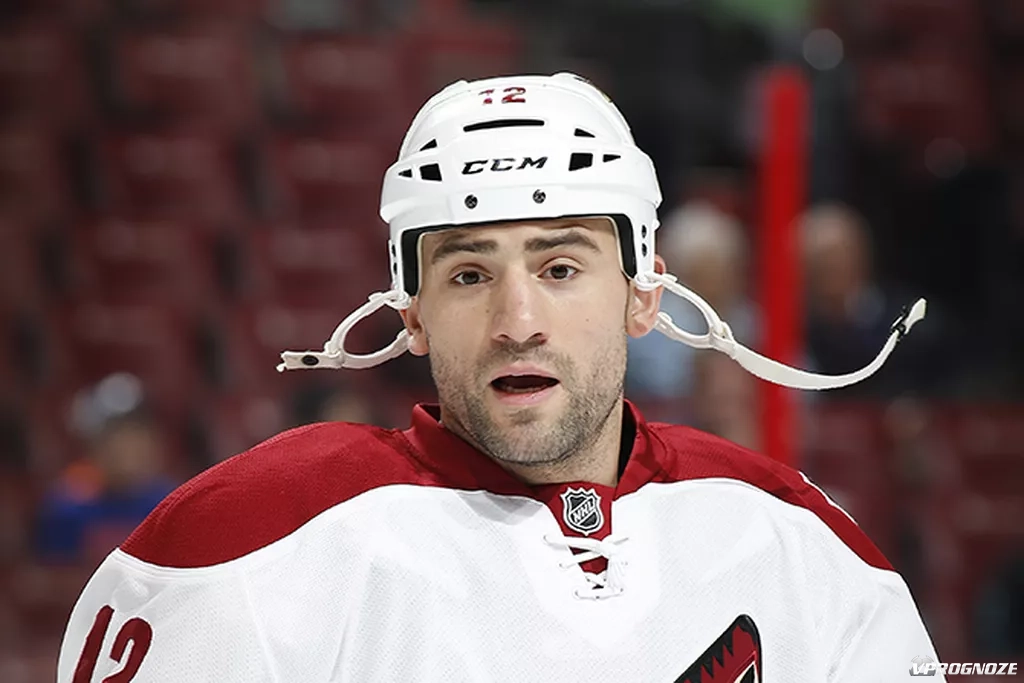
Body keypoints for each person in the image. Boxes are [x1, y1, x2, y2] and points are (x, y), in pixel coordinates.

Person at [57, 73, 940, 682]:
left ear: (643, 292)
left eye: (560, 268)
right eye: (471, 274)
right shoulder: (248, 545)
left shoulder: (799, 545)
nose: (518, 319)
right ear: (412, 311)